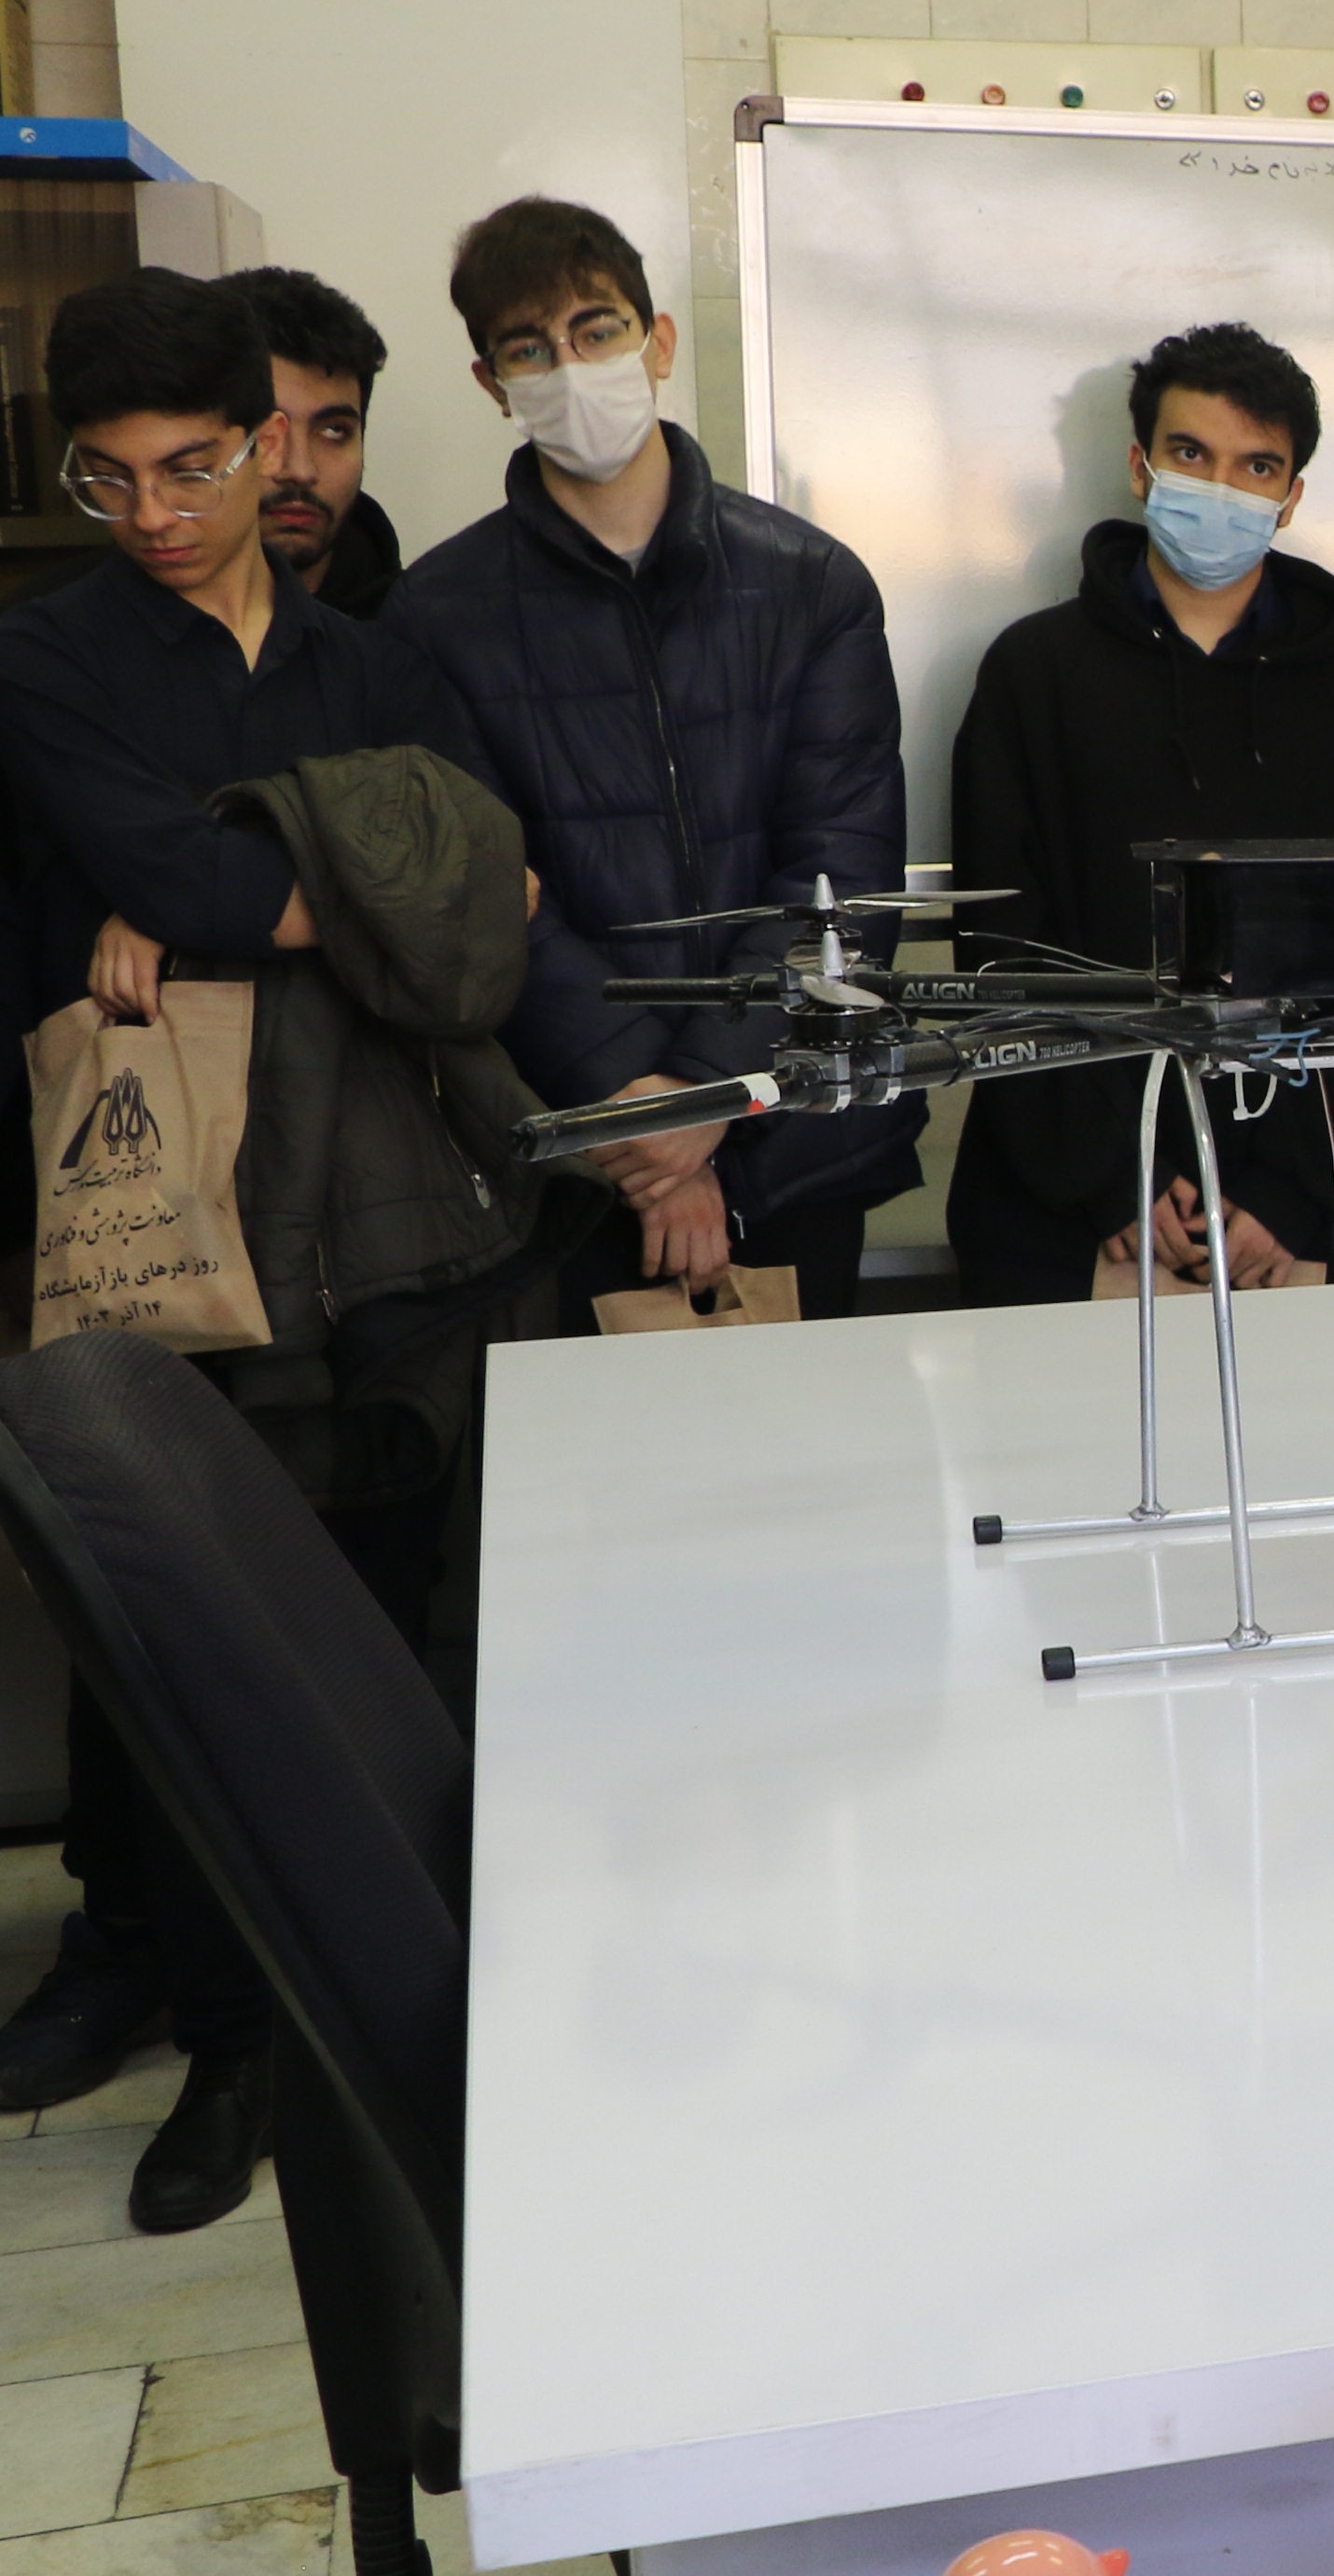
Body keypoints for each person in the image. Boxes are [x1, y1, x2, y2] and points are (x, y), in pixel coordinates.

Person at [0, 270, 537, 2234]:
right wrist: (316, 877)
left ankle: (345, 2027)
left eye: (193, 466)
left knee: (364, 1636)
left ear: (264, 438)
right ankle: (218, 2037)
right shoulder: (51, 660)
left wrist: (240, 884)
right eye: (110, 477)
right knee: (175, 1648)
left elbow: (487, 903)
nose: (155, 513)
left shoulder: (374, 662)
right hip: (159, 1226)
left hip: (382, 1235)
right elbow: (198, 874)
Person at [390, 196, 923, 1324]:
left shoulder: (812, 584)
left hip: (799, 1136)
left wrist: (707, 1094)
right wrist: (650, 1120)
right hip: (581, 1163)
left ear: (658, 341)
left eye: (597, 331)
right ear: (491, 382)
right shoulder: (434, 618)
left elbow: (843, 869)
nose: (569, 368)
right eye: (529, 349)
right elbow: (484, 897)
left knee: (822, 1431)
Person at [945, 323, 1334, 1305]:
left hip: (1298, 1223)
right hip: (1073, 1217)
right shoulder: (1032, 676)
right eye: (1190, 454)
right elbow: (1000, 953)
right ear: (1140, 468)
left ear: (1291, 497)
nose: (1220, 488)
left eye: (1257, 467)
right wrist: (1112, 1181)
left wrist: (1288, 1197)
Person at [219, 264, 403, 616]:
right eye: (264, 432)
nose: (300, 471)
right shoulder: (108, 625)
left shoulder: (421, 628)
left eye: (334, 431)